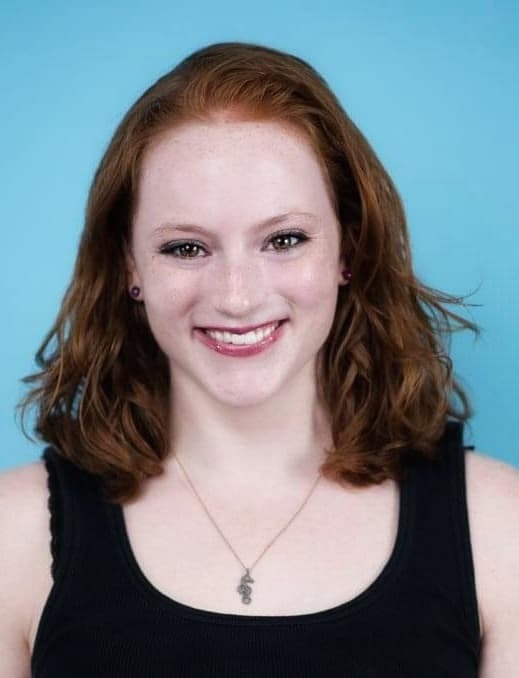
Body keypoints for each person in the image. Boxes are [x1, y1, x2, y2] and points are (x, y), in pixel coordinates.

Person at [0, 41, 518, 678]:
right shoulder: (12, 538)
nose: (237, 297)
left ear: (347, 249)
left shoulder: (499, 526)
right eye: (186, 248)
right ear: (129, 265)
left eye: (284, 239)